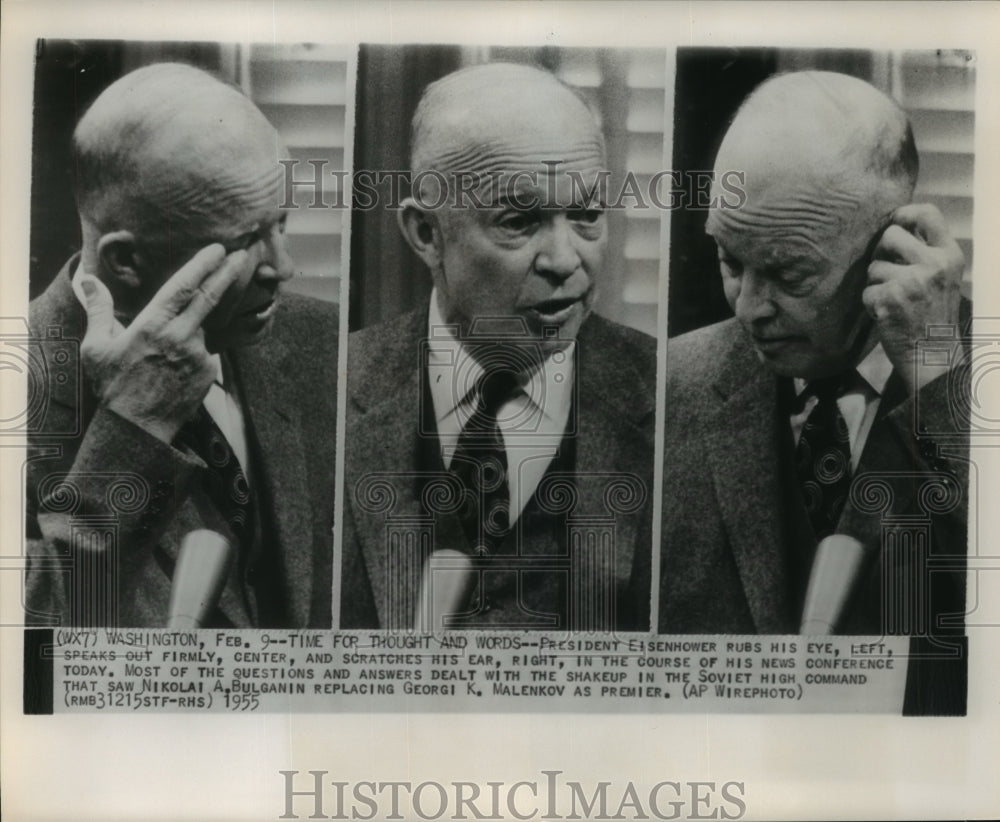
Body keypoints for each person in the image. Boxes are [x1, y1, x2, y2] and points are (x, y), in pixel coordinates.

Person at [658, 71, 970, 709]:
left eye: (788, 272)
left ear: (892, 248)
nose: (748, 308)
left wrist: (939, 380)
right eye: (729, 260)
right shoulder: (667, 385)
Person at [340, 63, 656, 632]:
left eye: (586, 216)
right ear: (426, 234)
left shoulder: (671, 396)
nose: (565, 260)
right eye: (519, 221)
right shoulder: (329, 393)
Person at [25, 63, 339, 628]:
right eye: (245, 242)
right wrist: (133, 427)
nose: (284, 268)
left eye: (282, 225)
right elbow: (28, 660)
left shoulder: (324, 345)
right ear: (126, 261)